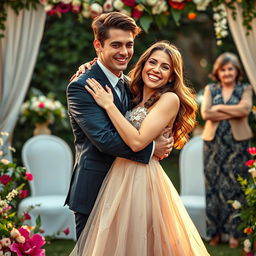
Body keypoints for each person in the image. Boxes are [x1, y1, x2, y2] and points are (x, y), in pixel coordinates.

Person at [69, 41, 210, 256]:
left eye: (165, 67)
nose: (156, 69)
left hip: (142, 179)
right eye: (152, 62)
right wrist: (89, 66)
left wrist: (108, 105)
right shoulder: (131, 91)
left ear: (172, 76)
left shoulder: (169, 99)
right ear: (143, 65)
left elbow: (137, 142)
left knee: (140, 243)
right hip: (117, 176)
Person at [65, 12, 173, 240]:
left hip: (130, 189)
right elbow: (104, 139)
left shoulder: (128, 84)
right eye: (116, 45)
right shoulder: (81, 87)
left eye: (129, 45)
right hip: (95, 187)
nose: (124, 52)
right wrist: (152, 150)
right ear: (98, 45)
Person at [201, 52, 253, 248]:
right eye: (223, 69)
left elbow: (245, 110)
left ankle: (234, 234)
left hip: (238, 145)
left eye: (230, 68)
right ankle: (215, 232)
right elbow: (206, 113)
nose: (227, 72)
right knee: (213, 188)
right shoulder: (210, 88)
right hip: (213, 145)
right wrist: (233, 110)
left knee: (236, 187)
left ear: (236, 70)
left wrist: (219, 108)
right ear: (217, 72)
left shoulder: (245, 88)